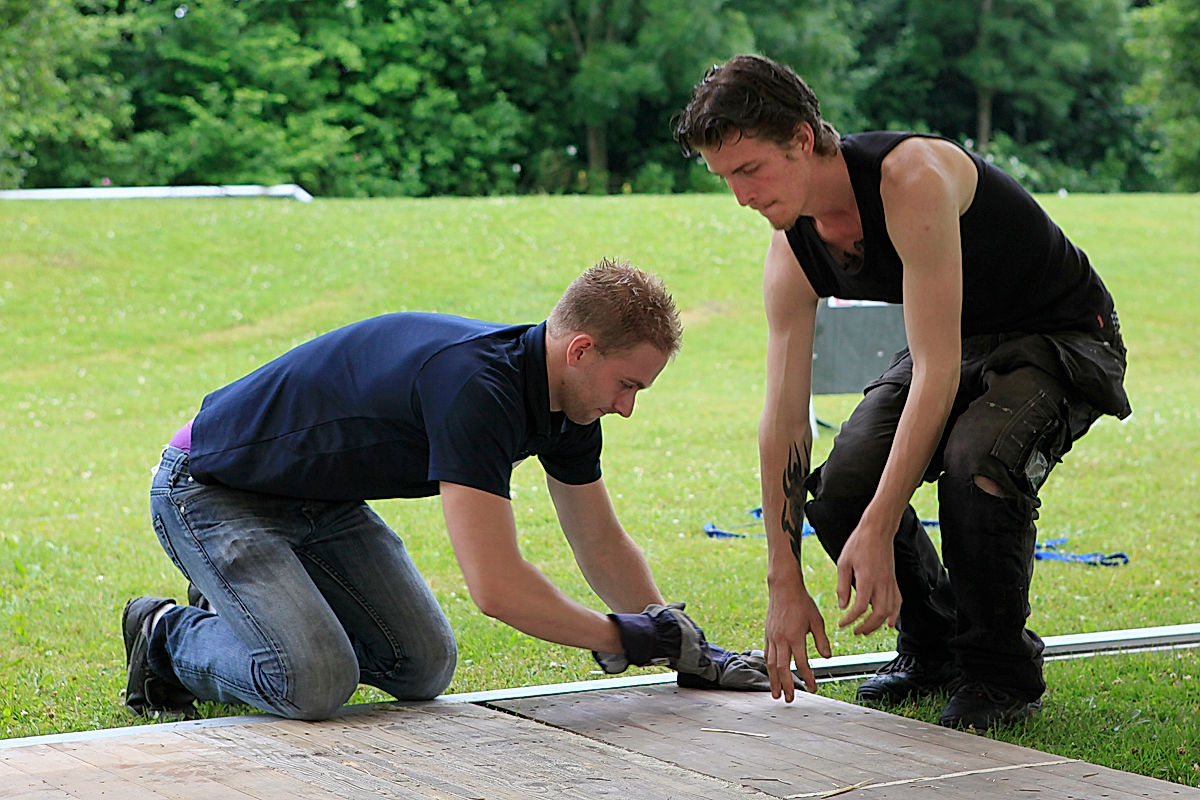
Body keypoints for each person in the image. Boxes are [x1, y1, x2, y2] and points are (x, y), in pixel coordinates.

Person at [673, 55, 1130, 730]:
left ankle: (998, 671)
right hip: (955, 340)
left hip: (1061, 337)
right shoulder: (792, 249)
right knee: (841, 486)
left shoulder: (910, 179)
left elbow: (937, 372)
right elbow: (784, 421)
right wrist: (783, 576)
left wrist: (883, 526)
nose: (740, 196)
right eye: (725, 180)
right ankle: (933, 645)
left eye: (749, 170)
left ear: (803, 139)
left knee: (979, 460)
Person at [122, 258, 787, 721]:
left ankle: (249, 605)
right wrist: (621, 637)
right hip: (210, 488)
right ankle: (166, 635)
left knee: (422, 665)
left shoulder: (568, 407)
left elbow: (600, 544)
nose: (627, 408)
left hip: (319, 502)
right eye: (628, 386)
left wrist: (679, 639)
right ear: (580, 351)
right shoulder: (477, 390)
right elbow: (495, 587)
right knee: (313, 683)